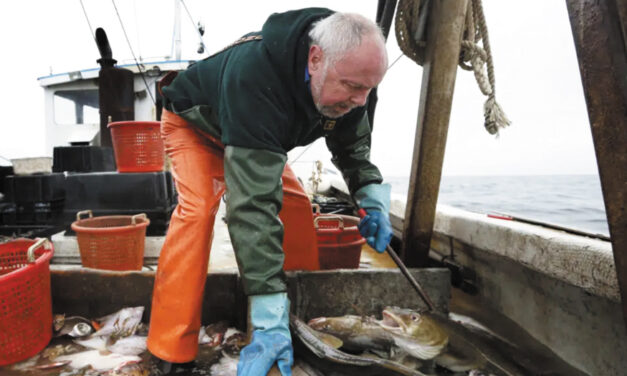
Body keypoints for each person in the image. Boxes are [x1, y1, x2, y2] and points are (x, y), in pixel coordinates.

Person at [147, 7, 393, 375]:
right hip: (195, 127)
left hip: (257, 138)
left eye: (369, 89)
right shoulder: (256, 74)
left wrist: (372, 200)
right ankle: (170, 346)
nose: (360, 100)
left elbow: (353, 151)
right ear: (315, 59)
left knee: (295, 205)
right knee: (198, 212)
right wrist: (265, 315)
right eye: (353, 87)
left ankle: (300, 318)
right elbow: (252, 208)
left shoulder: (352, 83)